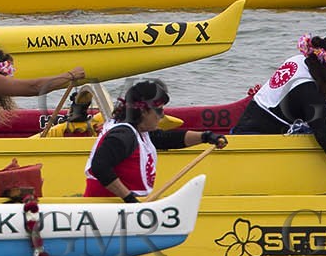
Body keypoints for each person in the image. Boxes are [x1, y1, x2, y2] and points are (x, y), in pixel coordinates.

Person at [83, 79, 227, 199]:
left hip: (124, 207)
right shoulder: (123, 135)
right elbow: (99, 167)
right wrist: (129, 199)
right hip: (107, 209)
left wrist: (206, 136)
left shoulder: (138, 131)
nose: (162, 116)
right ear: (143, 111)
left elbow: (166, 138)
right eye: (159, 110)